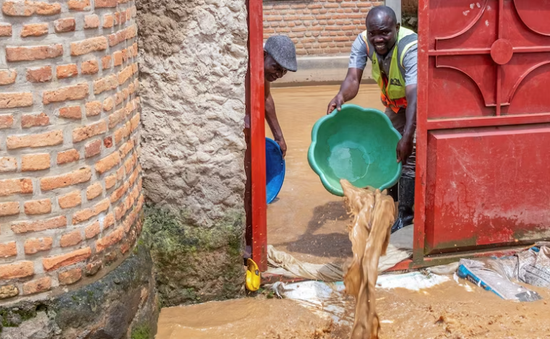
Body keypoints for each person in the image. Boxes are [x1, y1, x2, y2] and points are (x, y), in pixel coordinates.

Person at [327, 6, 418, 234]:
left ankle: (406, 215)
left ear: (396, 28)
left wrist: (407, 137)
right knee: (387, 147)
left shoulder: (410, 48)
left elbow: (416, 96)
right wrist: (341, 96)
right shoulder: (363, 42)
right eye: (373, 33)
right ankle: (393, 203)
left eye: (385, 33)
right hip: (397, 105)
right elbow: (353, 79)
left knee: (409, 152)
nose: (378, 39)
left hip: (420, 104)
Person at [244, 35, 297, 253]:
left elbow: (266, 99)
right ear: (263, 55)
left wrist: (279, 136)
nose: (278, 74)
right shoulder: (245, 66)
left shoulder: (263, 72)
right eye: (276, 67)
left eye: (283, 71)